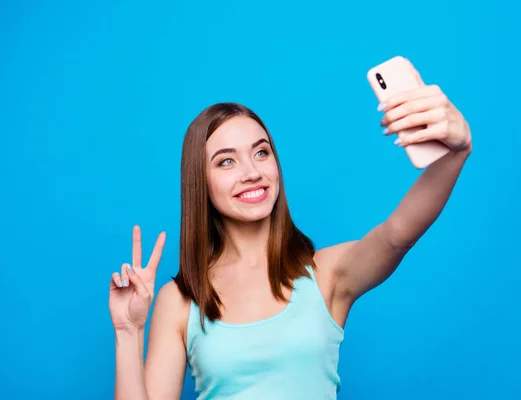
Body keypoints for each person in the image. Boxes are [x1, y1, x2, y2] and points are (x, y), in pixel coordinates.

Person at [108, 59, 472, 400]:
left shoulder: (327, 273)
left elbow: (397, 234)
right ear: (199, 182)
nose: (251, 171)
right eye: (227, 161)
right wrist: (127, 333)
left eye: (261, 152)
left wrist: (456, 153)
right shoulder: (182, 298)